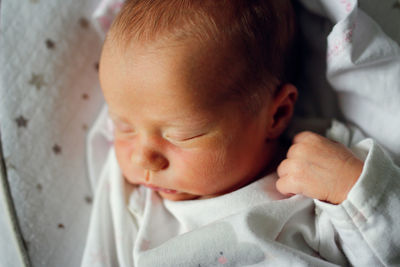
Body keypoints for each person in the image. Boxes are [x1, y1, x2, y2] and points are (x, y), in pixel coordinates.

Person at [82, 0, 400, 266]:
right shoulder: (135, 201)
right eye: (123, 126)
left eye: (182, 134)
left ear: (276, 114)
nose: (142, 157)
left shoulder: (321, 167)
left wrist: (357, 190)